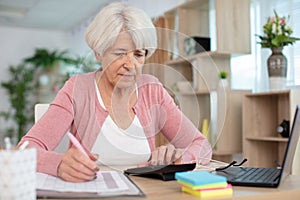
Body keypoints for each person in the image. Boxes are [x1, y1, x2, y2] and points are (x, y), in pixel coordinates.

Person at [18, 2, 212, 183]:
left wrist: (179, 158)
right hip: (90, 190)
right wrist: (58, 164)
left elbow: (202, 145)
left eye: (138, 54)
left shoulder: (152, 90)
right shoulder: (77, 89)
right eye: (120, 53)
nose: (130, 65)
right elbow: (25, 149)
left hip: (146, 191)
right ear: (98, 52)